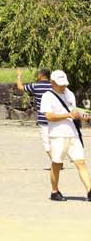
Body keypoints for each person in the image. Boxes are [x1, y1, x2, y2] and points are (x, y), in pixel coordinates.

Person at [41, 69, 91, 201]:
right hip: (57, 135)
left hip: (73, 133)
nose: (63, 86)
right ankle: (54, 191)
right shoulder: (47, 96)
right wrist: (67, 115)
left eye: (64, 83)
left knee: (81, 162)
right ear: (52, 83)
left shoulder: (69, 94)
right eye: (60, 84)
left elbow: (73, 111)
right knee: (57, 164)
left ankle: (90, 190)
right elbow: (49, 116)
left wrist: (83, 115)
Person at [18, 67, 54, 160]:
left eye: (38, 74)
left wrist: (18, 76)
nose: (37, 75)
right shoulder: (54, 86)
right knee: (56, 140)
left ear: (41, 75)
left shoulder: (35, 86)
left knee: (47, 143)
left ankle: (56, 162)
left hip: (43, 118)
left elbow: (20, 87)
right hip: (55, 117)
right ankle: (58, 160)